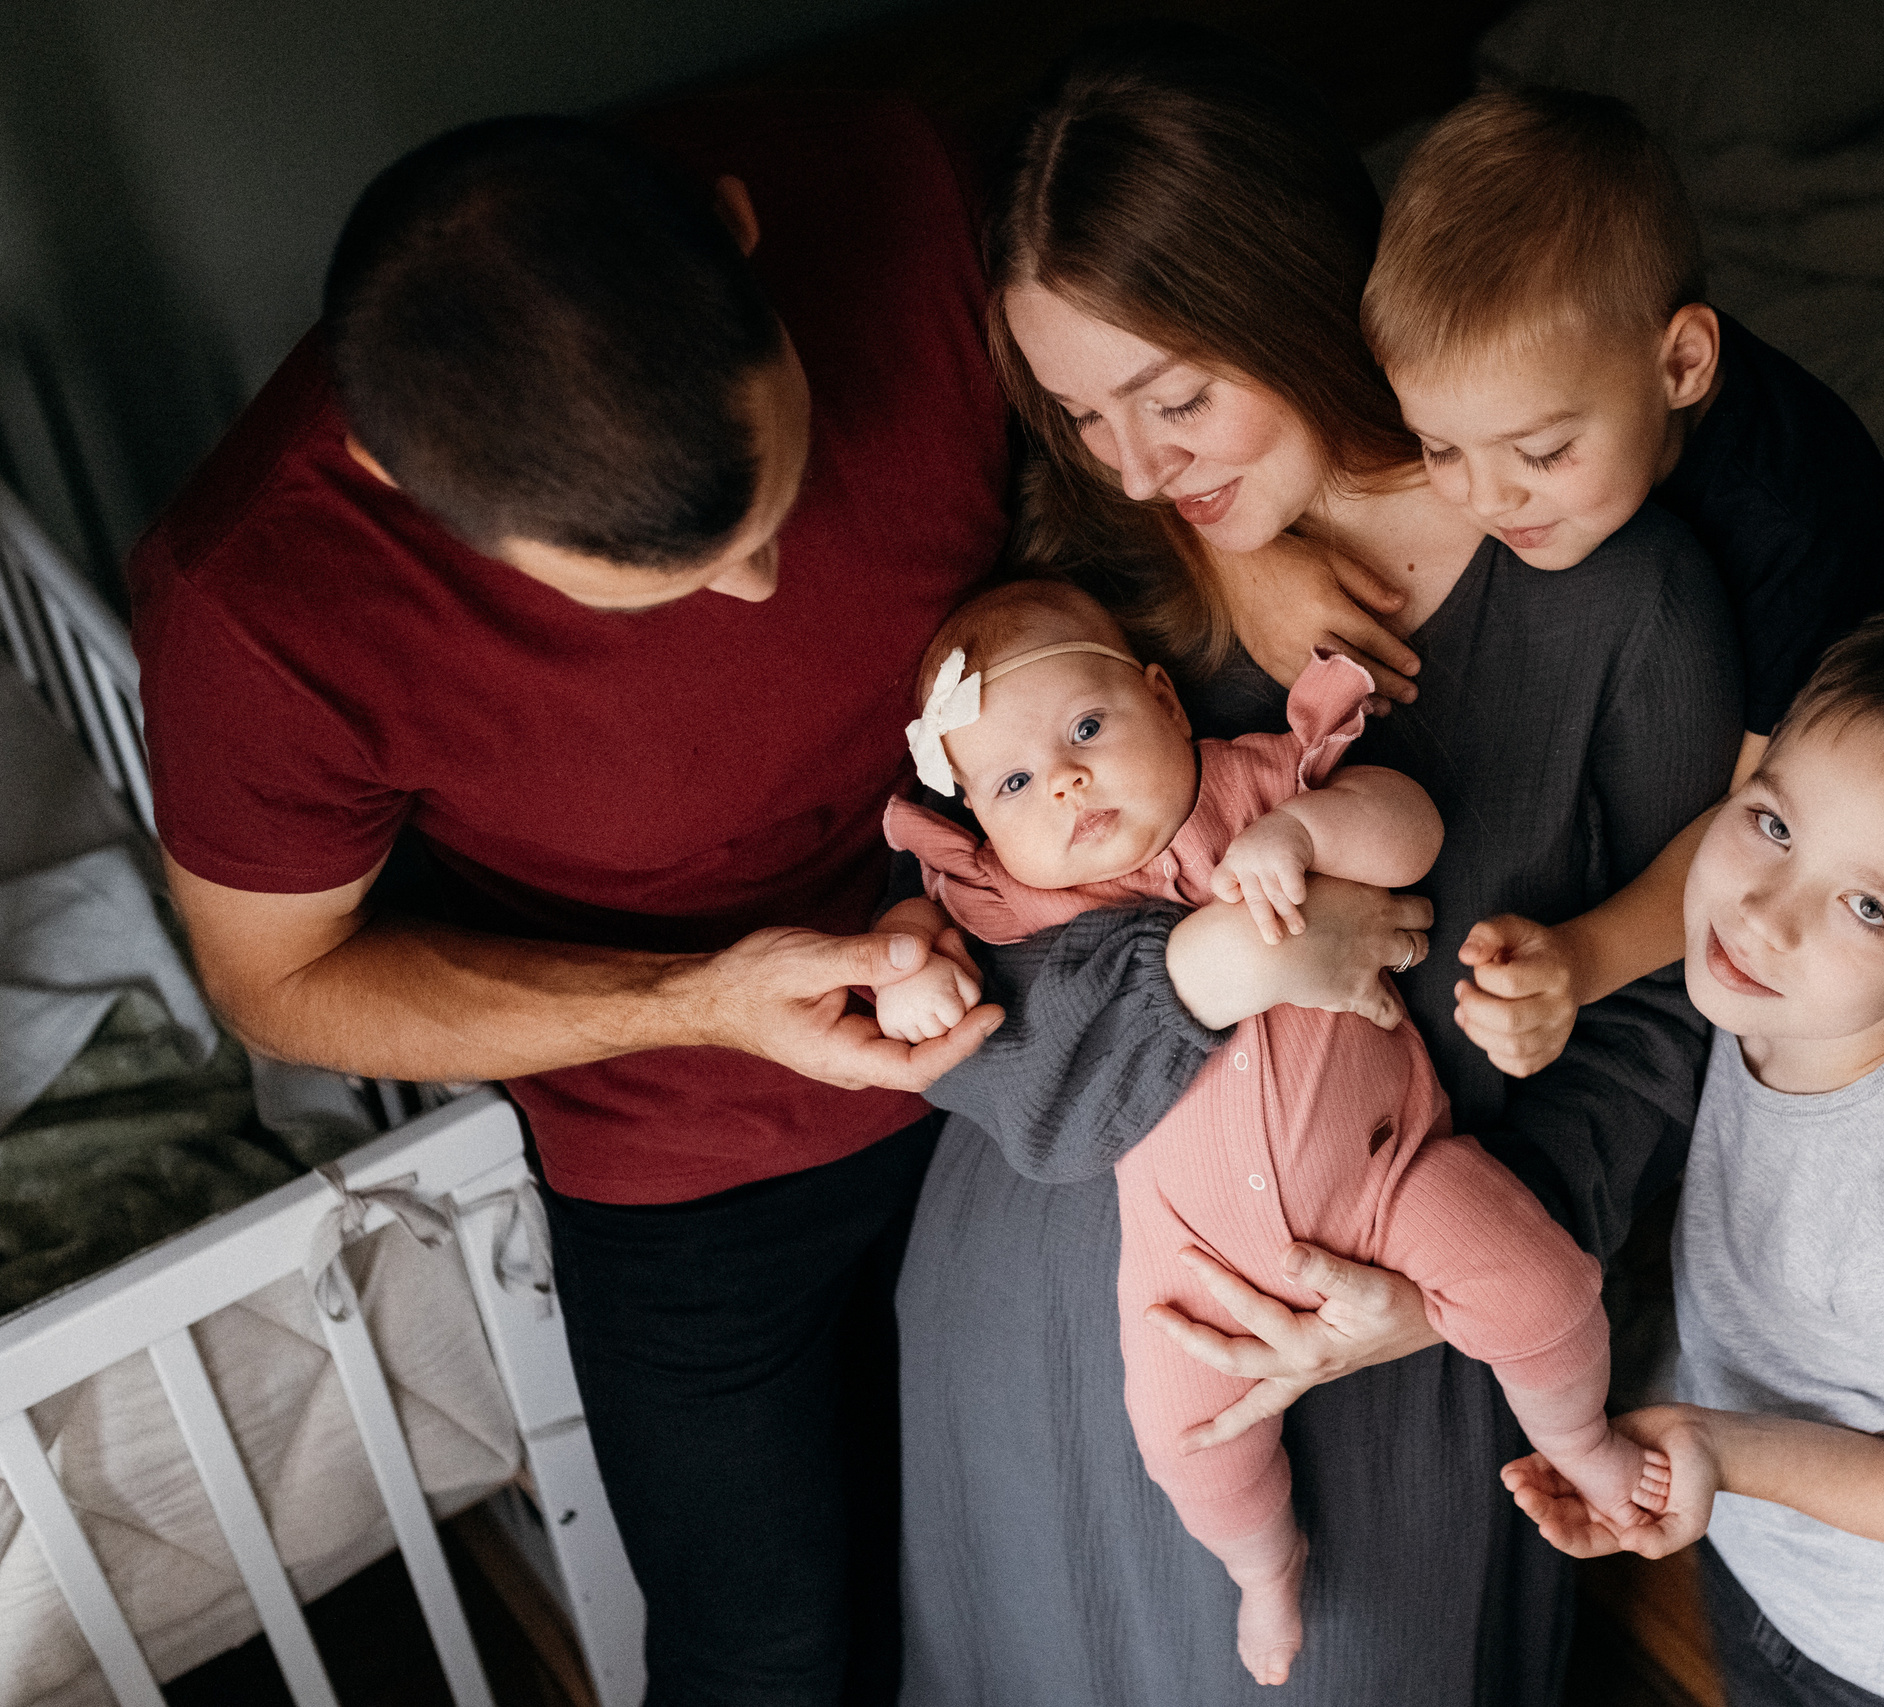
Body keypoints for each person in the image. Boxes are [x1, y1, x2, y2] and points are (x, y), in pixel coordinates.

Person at [895, 26, 1737, 1706]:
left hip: (1393, 1295)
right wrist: (1236, 560)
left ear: (1296, 294)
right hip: (1060, 1279)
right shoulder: (1105, 580)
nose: (1138, 464)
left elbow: (1667, 1014)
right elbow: (976, 948)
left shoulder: (1619, 598)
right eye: (1082, 414)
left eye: (1176, 395)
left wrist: (1435, 1302)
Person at [127, 103, 1009, 1704]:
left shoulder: (911, 194)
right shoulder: (254, 599)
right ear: (398, 480)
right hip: (688, 1147)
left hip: (1045, 1017)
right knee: (770, 1644)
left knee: (1045, 1540)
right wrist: (699, 1003)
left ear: (740, 230)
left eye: (774, 507)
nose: (755, 590)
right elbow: (281, 979)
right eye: (672, 580)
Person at [879, 580, 1665, 1685]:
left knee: (1543, 1288)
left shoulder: (1251, 782)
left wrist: (1304, 831)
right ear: (982, 825)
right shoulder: (1022, 896)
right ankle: (1263, 1565)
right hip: (1186, 1261)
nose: (1064, 780)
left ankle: (1577, 1439)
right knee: (1184, 1439)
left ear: (1158, 695)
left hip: (1396, 1177)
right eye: (1012, 781)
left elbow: (1411, 830)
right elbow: (934, 940)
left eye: (1087, 729)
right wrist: (913, 965)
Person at [1212, 86, 1884, 1083]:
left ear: (1682, 364)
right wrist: (1241, 557)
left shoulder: (1797, 518)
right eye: (1440, 448)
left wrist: (1584, 959)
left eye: (1544, 451)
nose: (1484, 495)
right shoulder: (1512, 394)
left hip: (1881, 741)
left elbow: (1753, 840)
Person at [1505, 602, 1884, 1707]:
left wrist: (1723, 1450)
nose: (1762, 914)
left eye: (1866, 908)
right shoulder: (1781, 1006)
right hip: (1764, 1551)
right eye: (1773, 825)